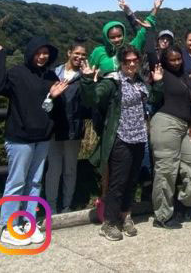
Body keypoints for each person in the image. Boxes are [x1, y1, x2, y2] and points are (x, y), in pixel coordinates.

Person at [80, 46, 164, 241]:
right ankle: (108, 222)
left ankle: (126, 215)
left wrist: (158, 83)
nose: (132, 63)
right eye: (127, 61)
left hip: (139, 137)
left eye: (135, 60)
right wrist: (86, 80)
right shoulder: (112, 82)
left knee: (131, 180)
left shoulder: (140, 82)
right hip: (120, 138)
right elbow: (93, 98)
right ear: (121, 62)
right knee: (118, 182)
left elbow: (153, 98)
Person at [0, 37, 68, 246]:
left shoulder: (50, 75)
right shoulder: (17, 72)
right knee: (16, 181)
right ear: (30, 52)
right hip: (19, 137)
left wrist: (54, 96)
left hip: (42, 137)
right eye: (38, 52)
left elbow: (48, 107)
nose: (42, 56)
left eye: (46, 53)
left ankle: (28, 222)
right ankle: (8, 225)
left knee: (34, 182)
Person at [150, 46, 191, 229]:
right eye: (171, 60)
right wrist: (146, 26)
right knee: (166, 170)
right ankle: (163, 216)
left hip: (184, 126)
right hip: (165, 124)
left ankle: (182, 203)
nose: (175, 62)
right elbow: (151, 51)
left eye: (178, 59)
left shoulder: (185, 77)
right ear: (165, 61)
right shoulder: (161, 73)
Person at [45, 39, 89, 213]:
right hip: (54, 127)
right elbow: (45, 100)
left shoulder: (84, 76)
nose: (79, 57)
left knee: (70, 168)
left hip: (74, 128)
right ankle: (51, 207)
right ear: (69, 52)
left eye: (83, 54)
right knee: (53, 170)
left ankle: (66, 206)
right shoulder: (54, 73)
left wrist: (89, 80)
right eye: (76, 53)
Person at [89, 0, 162, 74]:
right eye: (112, 37)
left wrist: (155, 9)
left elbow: (144, 30)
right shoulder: (99, 52)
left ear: (123, 35)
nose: (117, 39)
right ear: (106, 38)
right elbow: (89, 72)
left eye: (119, 36)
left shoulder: (130, 49)